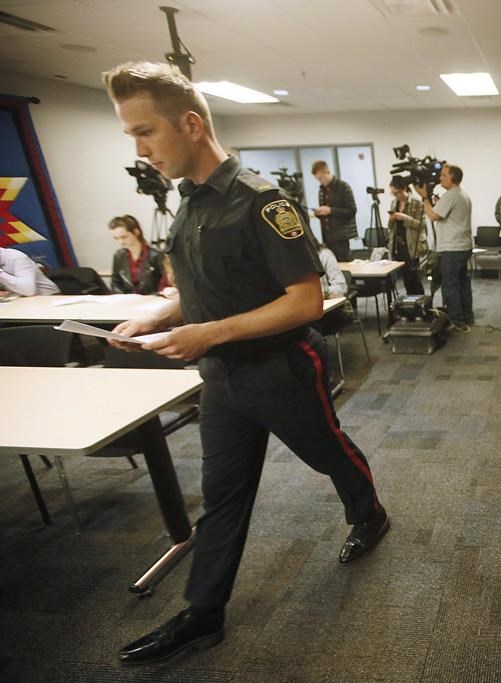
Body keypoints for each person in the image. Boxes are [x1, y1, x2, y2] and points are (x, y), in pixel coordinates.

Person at [102, 61, 388, 666]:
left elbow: (306, 301)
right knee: (223, 497)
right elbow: (205, 285)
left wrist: (207, 333)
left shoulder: (261, 202)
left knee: (329, 454)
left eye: (144, 131)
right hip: (223, 379)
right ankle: (204, 614)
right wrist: (159, 317)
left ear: (190, 123)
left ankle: (371, 514)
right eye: (130, 134)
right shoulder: (189, 203)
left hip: (281, 371)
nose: (138, 147)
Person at [416, 164, 473, 331]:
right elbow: (445, 215)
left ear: (452, 178)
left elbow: (433, 216)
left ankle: (457, 322)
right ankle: (467, 317)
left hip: (452, 249)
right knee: (462, 283)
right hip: (463, 246)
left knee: (450, 286)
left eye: (443, 175)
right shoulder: (461, 194)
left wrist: (424, 197)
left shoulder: (451, 195)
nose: (440, 178)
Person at [387, 177, 427, 295]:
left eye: (397, 192)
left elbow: (421, 225)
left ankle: (420, 304)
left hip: (411, 246)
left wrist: (404, 217)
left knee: (413, 278)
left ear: (404, 188)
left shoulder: (417, 203)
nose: (396, 196)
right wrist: (392, 219)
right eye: (393, 193)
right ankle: (409, 304)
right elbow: (390, 226)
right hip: (397, 245)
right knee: (405, 279)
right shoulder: (394, 203)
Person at [311, 160, 358, 263]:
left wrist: (330, 211)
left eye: (320, 178)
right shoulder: (322, 190)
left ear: (326, 171)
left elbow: (352, 210)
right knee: (331, 266)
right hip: (327, 236)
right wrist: (319, 213)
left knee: (345, 266)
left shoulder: (343, 187)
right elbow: (326, 213)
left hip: (341, 237)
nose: (320, 181)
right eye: (317, 179)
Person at [109, 214, 164, 294]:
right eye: (116, 238)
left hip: (152, 301)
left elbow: (165, 286)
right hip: (128, 302)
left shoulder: (156, 256)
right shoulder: (119, 256)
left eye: (124, 237)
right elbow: (115, 284)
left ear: (136, 232)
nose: (120, 242)